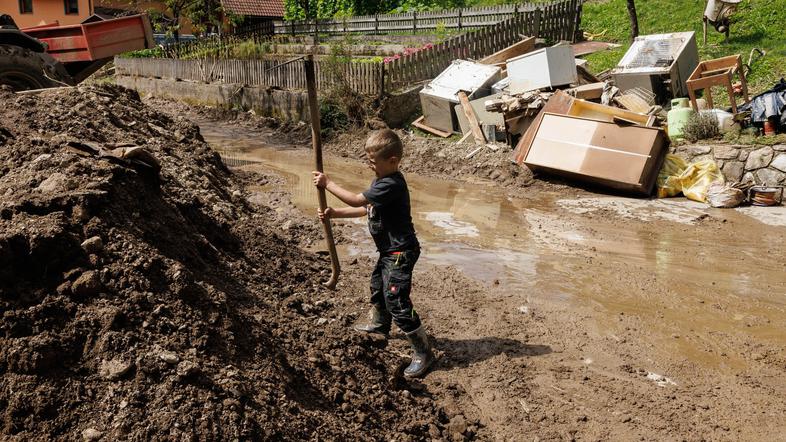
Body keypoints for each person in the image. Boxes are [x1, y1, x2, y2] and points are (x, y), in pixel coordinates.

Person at [312, 129, 434, 378]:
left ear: (392, 161)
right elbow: (366, 209)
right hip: (389, 252)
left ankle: (423, 351)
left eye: (372, 161)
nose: (369, 165)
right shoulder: (380, 179)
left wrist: (328, 184)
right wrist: (335, 214)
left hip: (401, 252)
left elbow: (356, 200)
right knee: (378, 286)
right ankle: (379, 325)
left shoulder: (392, 183)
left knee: (396, 299)